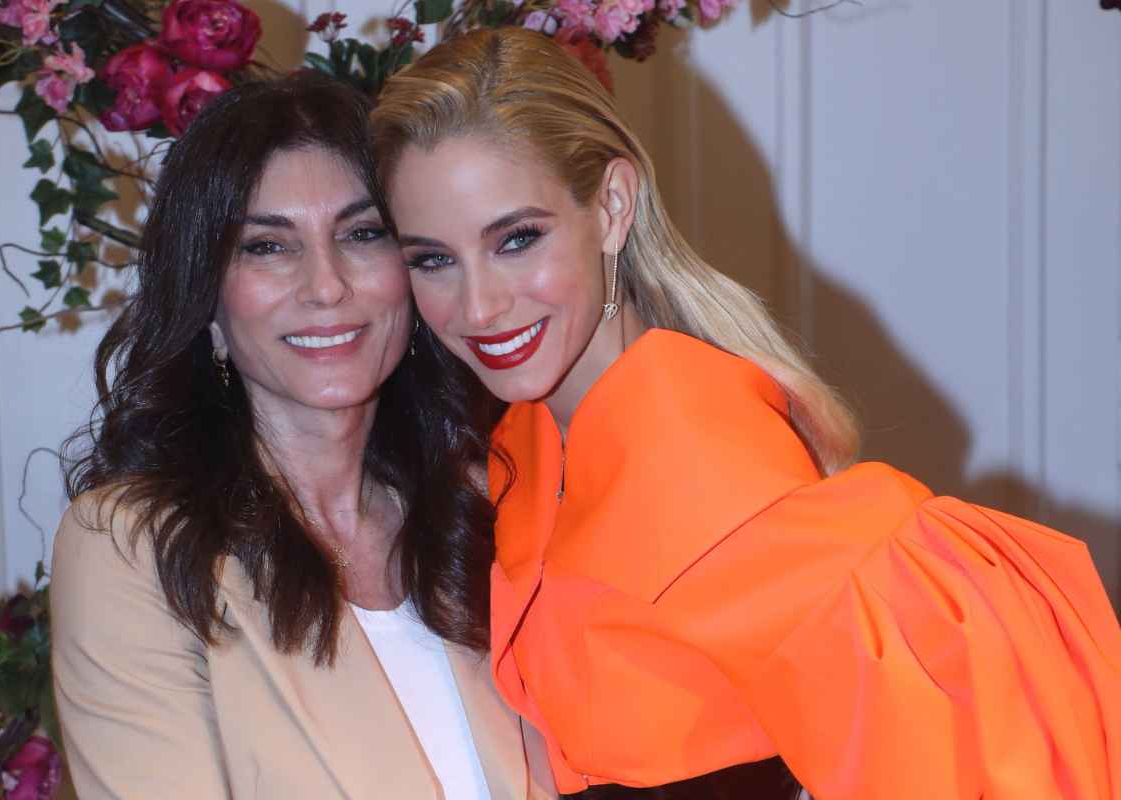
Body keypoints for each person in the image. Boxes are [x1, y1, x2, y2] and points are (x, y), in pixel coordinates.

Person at [370, 27, 1121, 800]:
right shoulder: (523, 448)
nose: (479, 306)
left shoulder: (724, 488)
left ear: (613, 206)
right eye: (434, 259)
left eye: (517, 240)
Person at [51, 72, 554, 799]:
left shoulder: (487, 508)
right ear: (207, 300)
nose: (326, 286)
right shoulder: (138, 549)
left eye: (362, 234)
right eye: (267, 246)